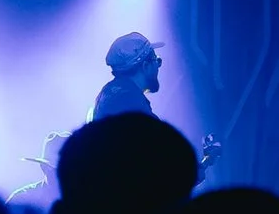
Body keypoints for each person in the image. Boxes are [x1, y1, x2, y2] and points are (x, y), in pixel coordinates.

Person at [93, 32, 218, 184]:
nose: (158, 65)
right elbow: (160, 161)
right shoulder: (130, 102)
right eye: (156, 60)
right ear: (145, 66)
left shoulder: (110, 94)